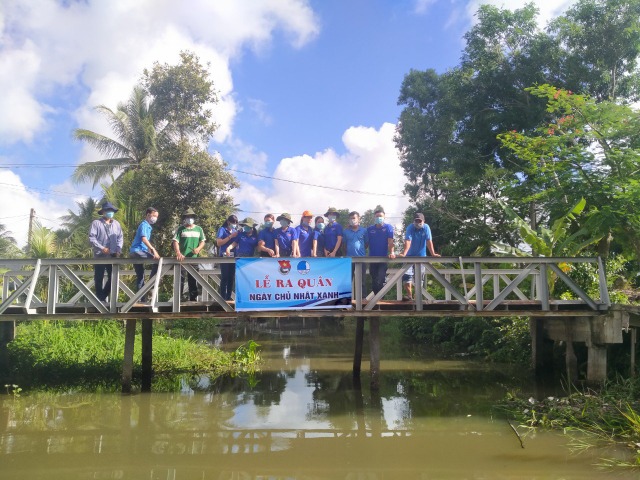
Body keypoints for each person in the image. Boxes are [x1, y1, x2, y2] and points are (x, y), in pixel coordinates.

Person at [399, 212, 440, 301]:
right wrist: (404, 253)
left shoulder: (426, 227)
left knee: (419, 278)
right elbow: (408, 241)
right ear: (413, 221)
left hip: (421, 256)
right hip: (409, 256)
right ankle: (409, 295)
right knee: (406, 276)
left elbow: (429, 241)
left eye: (420, 221)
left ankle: (417, 296)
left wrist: (433, 253)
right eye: (416, 221)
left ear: (423, 221)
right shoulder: (410, 227)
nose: (418, 223)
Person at [88, 201, 123, 302]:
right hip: (100, 255)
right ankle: (100, 298)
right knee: (98, 277)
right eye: (108, 210)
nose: (110, 212)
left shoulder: (116, 224)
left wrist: (118, 249)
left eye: (112, 211)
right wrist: (101, 247)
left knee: (114, 277)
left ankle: (103, 296)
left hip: (113, 256)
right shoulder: (96, 223)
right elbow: (92, 238)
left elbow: (120, 238)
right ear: (103, 212)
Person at [172, 208, 206, 301]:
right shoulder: (180, 229)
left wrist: (198, 249)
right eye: (188, 217)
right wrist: (178, 253)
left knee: (193, 279)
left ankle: (193, 299)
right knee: (180, 279)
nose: (189, 218)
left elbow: (202, 241)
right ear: (185, 218)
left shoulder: (199, 229)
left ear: (194, 218)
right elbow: (175, 241)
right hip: (182, 258)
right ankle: (178, 298)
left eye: (191, 217)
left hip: (194, 258)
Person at [129, 207, 160, 300]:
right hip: (138, 251)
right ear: (148, 215)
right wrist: (153, 249)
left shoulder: (148, 226)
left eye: (156, 216)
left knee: (140, 275)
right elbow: (144, 239)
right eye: (154, 215)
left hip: (135, 252)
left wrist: (149, 249)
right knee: (157, 261)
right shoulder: (144, 225)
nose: (155, 218)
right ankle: (150, 286)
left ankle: (141, 299)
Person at [367, 207, 395, 296]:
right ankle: (376, 299)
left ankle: (380, 298)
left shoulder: (388, 227)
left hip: (383, 258)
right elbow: (365, 243)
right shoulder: (370, 229)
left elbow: (390, 241)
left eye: (380, 216)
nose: (379, 218)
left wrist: (392, 252)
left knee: (381, 279)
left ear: (384, 217)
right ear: (374, 217)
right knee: (374, 280)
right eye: (377, 216)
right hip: (372, 258)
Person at [343, 211, 368, 296]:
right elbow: (344, 245)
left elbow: (366, 244)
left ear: (358, 219)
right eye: (350, 218)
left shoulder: (364, 230)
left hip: (361, 259)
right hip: (349, 259)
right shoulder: (346, 232)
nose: (352, 220)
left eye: (354, 218)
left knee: (362, 281)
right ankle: (346, 300)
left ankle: (363, 300)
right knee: (348, 281)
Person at [216, 214, 238, 300]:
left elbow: (236, 242)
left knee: (231, 277)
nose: (234, 224)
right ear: (228, 222)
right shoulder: (222, 229)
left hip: (233, 256)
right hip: (224, 256)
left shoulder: (235, 230)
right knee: (224, 276)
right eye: (233, 222)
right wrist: (230, 236)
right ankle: (222, 297)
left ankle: (228, 297)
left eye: (236, 223)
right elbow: (219, 243)